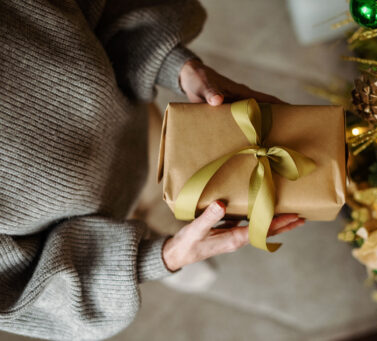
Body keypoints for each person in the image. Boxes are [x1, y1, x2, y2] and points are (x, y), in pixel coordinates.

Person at [0, 1, 304, 340]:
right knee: (160, 235)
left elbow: (98, 9)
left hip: (135, 128)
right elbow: (21, 291)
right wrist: (157, 259)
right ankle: (164, 253)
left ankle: (167, 224)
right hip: (79, 232)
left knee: (174, 191)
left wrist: (178, 66)